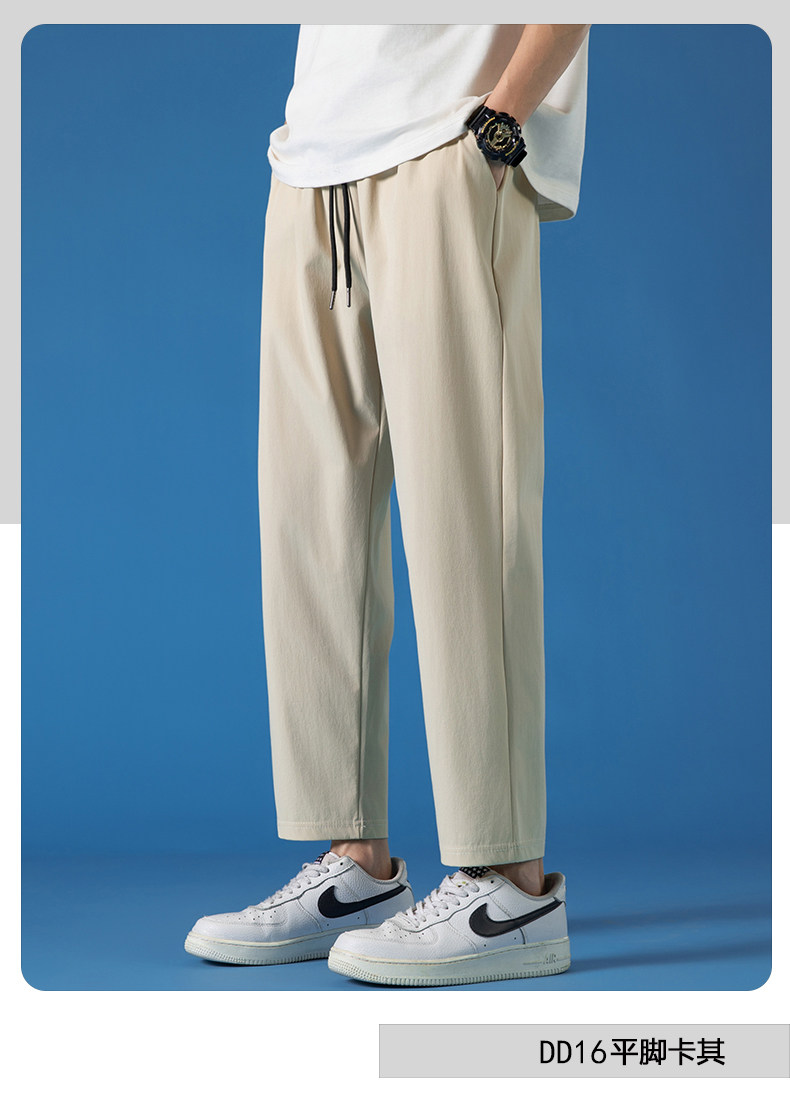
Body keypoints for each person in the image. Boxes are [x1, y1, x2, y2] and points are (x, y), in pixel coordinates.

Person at [185, 23, 591, 987]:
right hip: (311, 162)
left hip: (449, 140)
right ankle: (354, 865)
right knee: (310, 520)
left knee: (467, 514)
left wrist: (500, 125)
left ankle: (511, 885)